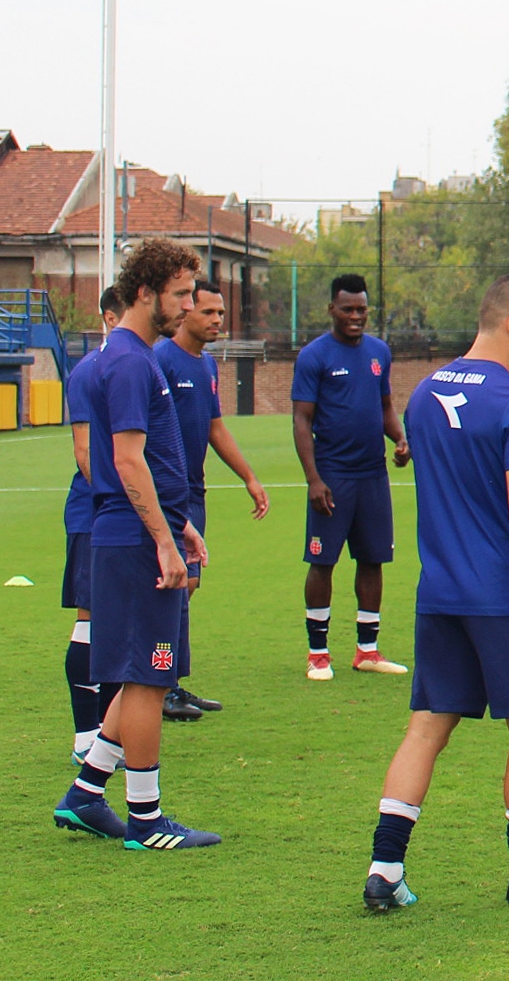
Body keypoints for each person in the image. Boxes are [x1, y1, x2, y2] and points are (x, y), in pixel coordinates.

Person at [362, 274, 509, 911]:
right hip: (505, 599)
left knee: (426, 728)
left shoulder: (424, 394)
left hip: (440, 594)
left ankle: (385, 870)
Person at [53, 237, 220, 850]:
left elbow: (146, 459)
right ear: (146, 292)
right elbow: (127, 462)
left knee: (135, 674)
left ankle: (85, 794)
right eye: (179, 294)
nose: (187, 305)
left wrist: (180, 524)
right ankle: (146, 821)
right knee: (149, 677)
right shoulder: (127, 362)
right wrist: (164, 541)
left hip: (137, 534)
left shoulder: (125, 355)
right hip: (132, 541)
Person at [154, 280, 271, 718]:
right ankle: (156, 683)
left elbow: (215, 427)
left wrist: (249, 477)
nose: (218, 320)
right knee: (172, 588)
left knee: (188, 586)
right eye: (209, 312)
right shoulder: (162, 361)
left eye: (221, 313)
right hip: (167, 495)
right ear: (185, 312)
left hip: (193, 491)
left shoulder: (205, 366)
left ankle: (168, 683)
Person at [293, 273, 411, 681]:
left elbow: (384, 407)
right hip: (333, 475)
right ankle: (318, 653)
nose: (356, 316)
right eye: (348, 309)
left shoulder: (379, 352)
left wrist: (399, 438)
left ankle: (367, 650)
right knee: (322, 561)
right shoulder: (314, 356)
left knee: (373, 559)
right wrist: (313, 478)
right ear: (332, 309)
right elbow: (301, 419)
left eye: (362, 309)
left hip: (372, 475)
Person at [58, 288, 122, 762]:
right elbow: (85, 455)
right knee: (91, 618)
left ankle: (107, 733)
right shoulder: (88, 372)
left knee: (118, 622)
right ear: (109, 317)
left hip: (125, 513)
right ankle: (86, 736)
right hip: (95, 512)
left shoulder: (137, 365)